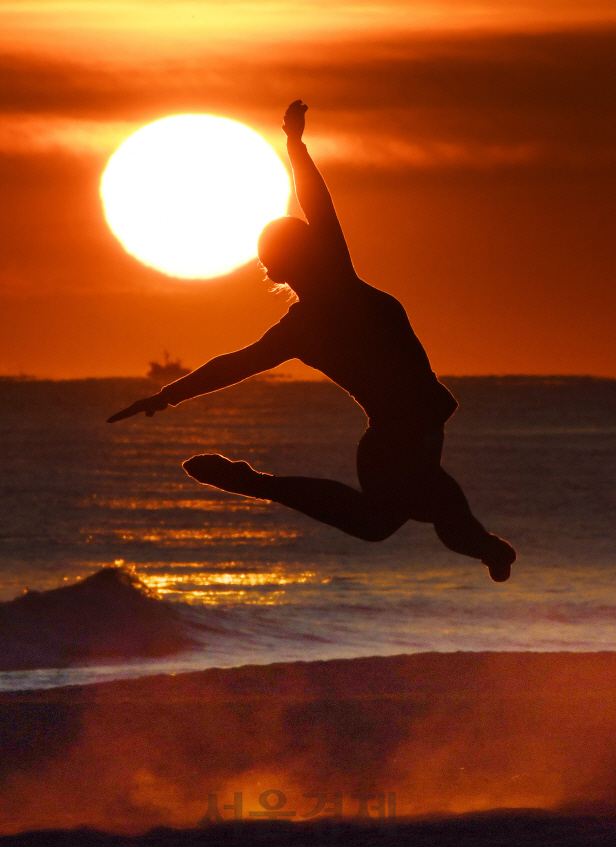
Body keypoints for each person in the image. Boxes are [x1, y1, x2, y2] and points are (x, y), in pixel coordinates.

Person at [108, 100, 516, 582]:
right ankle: (252, 482)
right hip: (396, 439)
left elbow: (316, 204)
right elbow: (232, 366)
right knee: (418, 516)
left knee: (405, 519)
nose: (315, 242)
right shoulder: (323, 304)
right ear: (293, 258)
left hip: (409, 434)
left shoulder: (321, 301)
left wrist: (296, 148)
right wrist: (166, 396)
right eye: (303, 243)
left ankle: (488, 550)